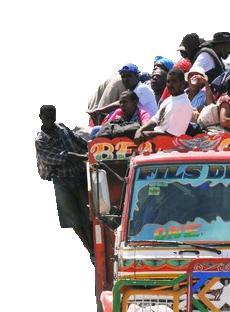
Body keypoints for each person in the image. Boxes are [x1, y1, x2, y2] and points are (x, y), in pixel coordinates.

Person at [35, 105, 94, 261]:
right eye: (47, 116)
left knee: (88, 216)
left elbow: (79, 142)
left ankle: (95, 248)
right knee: (74, 221)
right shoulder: (41, 140)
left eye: (52, 115)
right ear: (41, 117)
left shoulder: (62, 128)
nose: (50, 119)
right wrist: (83, 157)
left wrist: (92, 150)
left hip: (80, 176)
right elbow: (60, 157)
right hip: (62, 182)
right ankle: (91, 251)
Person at [134, 68, 193, 144]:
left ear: (183, 84)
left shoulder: (183, 104)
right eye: (168, 81)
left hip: (169, 147)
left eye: (174, 81)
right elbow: (155, 120)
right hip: (156, 141)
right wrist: (140, 130)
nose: (170, 85)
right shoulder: (168, 100)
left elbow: (174, 136)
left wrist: (148, 134)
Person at [88, 63, 158, 121]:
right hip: (138, 120)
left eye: (129, 76)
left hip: (148, 122)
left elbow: (119, 103)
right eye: (123, 77)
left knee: (117, 112)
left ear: (137, 76)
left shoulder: (142, 88)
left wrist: (99, 111)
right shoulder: (132, 90)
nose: (125, 79)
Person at [160, 33, 202, 104]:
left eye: (182, 52)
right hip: (171, 100)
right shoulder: (185, 62)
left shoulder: (185, 62)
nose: (181, 54)